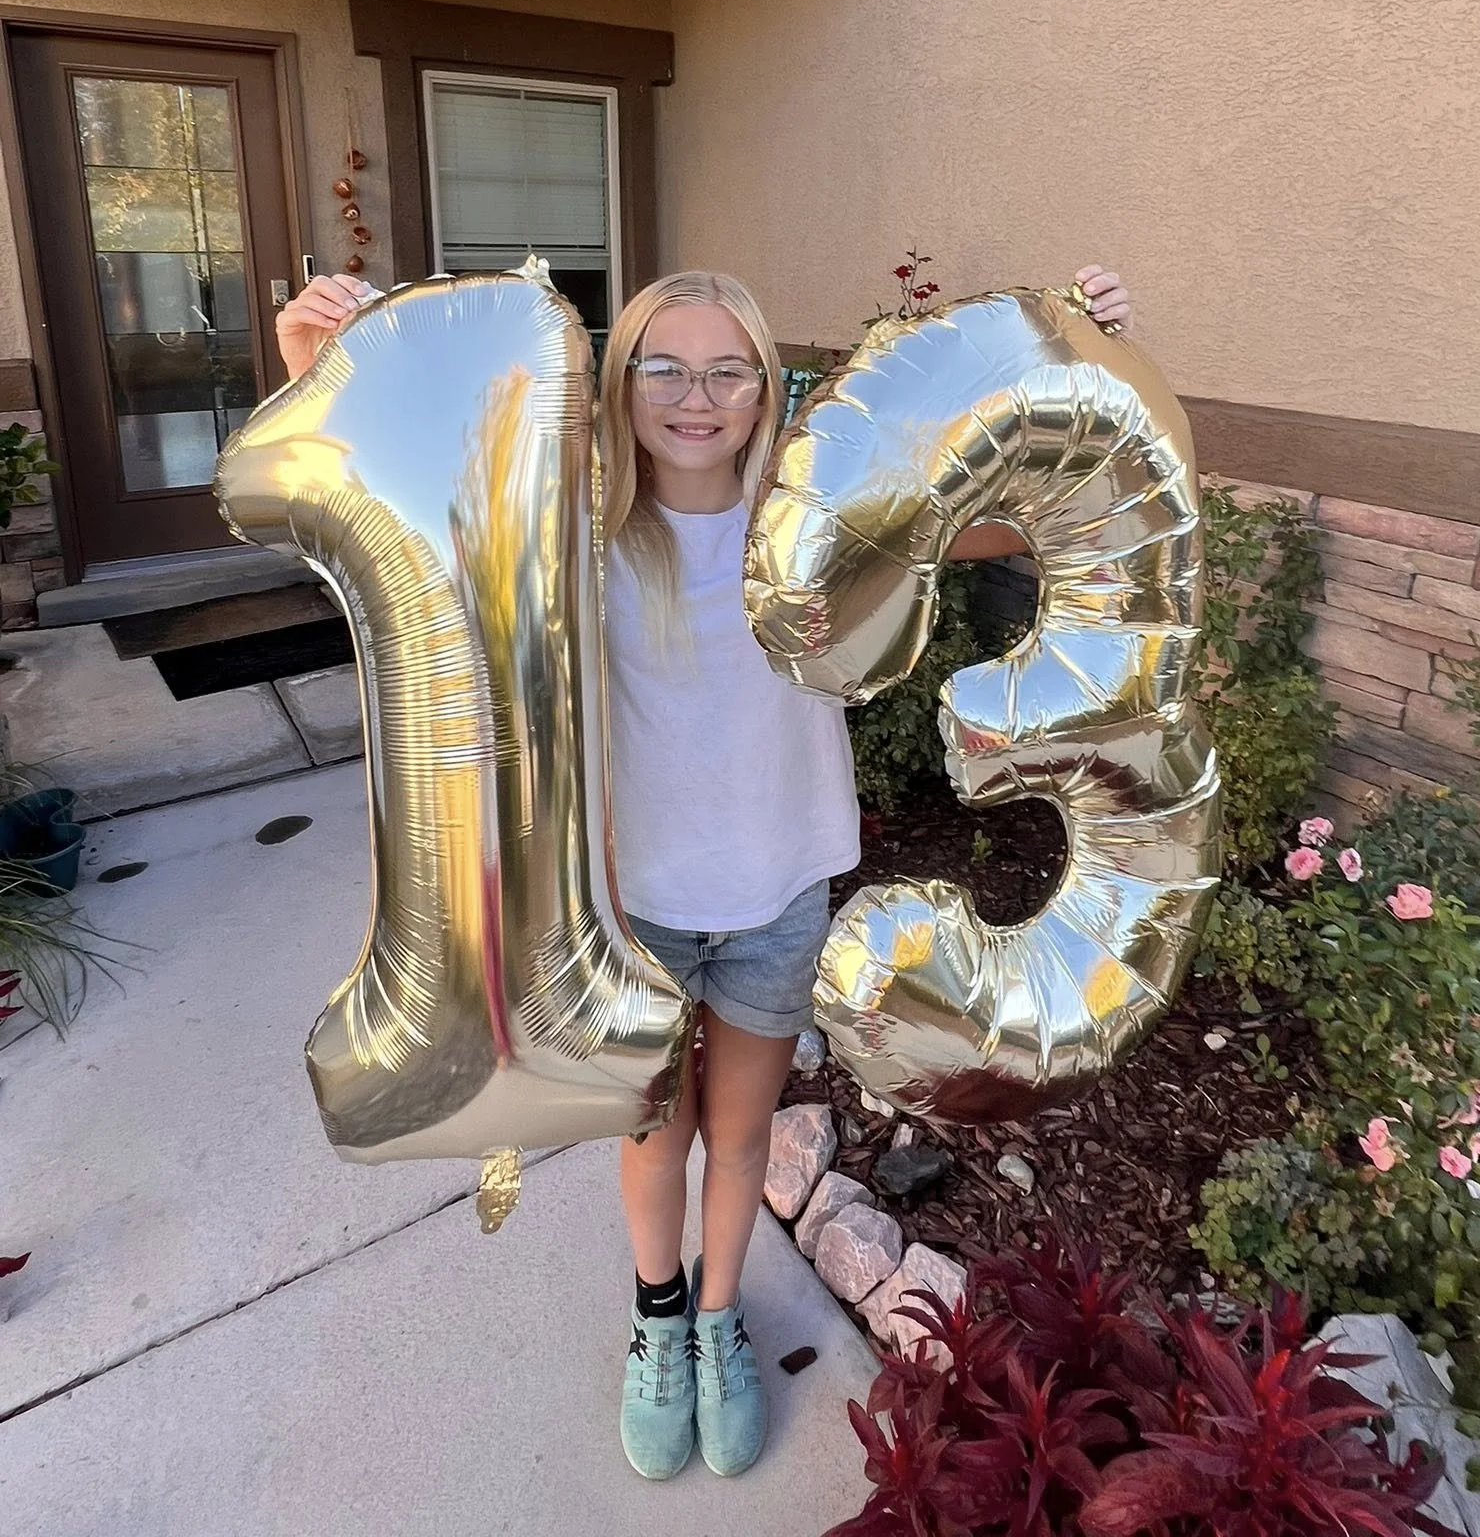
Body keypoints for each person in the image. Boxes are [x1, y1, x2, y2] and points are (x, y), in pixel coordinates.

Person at [274, 260, 1133, 1482]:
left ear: (763, 386)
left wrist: (1081, 347)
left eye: (728, 367)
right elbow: (388, 492)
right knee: (654, 1136)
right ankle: (659, 1316)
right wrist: (321, 358)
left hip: (778, 890)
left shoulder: (824, 516)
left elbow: (1007, 491)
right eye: (662, 366)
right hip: (633, 909)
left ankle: (723, 1316)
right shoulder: (569, 521)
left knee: (739, 1135)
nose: (696, 394)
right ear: (617, 385)